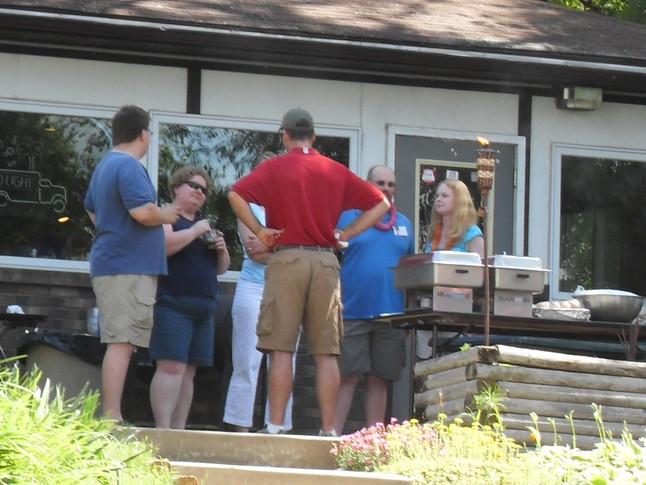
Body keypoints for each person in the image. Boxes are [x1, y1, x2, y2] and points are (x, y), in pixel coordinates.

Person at [228, 108, 390, 436]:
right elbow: (382, 204)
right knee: (326, 352)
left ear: (285, 136)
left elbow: (235, 193)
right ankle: (328, 430)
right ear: (313, 136)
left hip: (286, 259)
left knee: (281, 348)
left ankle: (275, 427)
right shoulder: (334, 169)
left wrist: (259, 231)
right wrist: (346, 233)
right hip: (325, 260)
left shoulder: (273, 167)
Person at [84, 104, 181, 422]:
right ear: (143, 134)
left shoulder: (105, 165)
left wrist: (114, 228)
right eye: (150, 131)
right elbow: (143, 212)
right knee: (122, 342)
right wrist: (166, 214)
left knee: (121, 340)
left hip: (115, 265)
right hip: (127, 269)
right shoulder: (128, 166)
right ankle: (112, 418)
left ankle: (112, 416)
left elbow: (92, 210)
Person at [333, 165, 414, 434]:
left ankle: (373, 441)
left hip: (390, 315)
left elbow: (411, 272)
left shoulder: (404, 224)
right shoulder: (346, 217)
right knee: (346, 378)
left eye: (391, 184)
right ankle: (330, 436)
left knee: (379, 380)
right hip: (351, 311)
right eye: (380, 183)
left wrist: (407, 315)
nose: (386, 188)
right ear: (367, 184)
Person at [149, 166, 230, 429]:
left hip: (204, 308)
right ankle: (163, 432)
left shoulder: (204, 225)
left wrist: (221, 250)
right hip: (173, 303)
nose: (199, 192)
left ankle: (180, 432)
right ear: (176, 187)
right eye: (194, 186)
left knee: (188, 372)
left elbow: (221, 269)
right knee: (171, 367)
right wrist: (195, 232)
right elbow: (162, 248)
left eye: (204, 189)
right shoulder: (167, 218)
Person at [222, 151, 298, 433]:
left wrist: (279, 248)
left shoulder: (293, 206)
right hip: (253, 288)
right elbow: (254, 250)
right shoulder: (247, 205)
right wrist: (287, 249)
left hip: (287, 290)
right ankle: (241, 429)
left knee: (285, 361)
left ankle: (278, 429)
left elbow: (298, 251)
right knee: (247, 360)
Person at [423, 179, 484, 257]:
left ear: (458, 201)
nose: (438, 199)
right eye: (437, 196)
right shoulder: (434, 230)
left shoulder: (471, 232)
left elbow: (481, 263)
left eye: (444, 196)